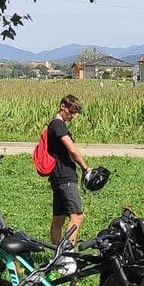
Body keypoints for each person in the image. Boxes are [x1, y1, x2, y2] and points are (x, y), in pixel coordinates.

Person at [46, 94, 92, 244]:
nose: (73, 115)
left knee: (58, 218)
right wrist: (86, 168)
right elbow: (72, 150)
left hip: (57, 177)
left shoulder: (54, 124)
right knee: (77, 216)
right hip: (65, 176)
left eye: (75, 113)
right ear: (62, 106)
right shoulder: (58, 125)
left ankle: (56, 252)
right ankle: (67, 252)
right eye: (71, 111)